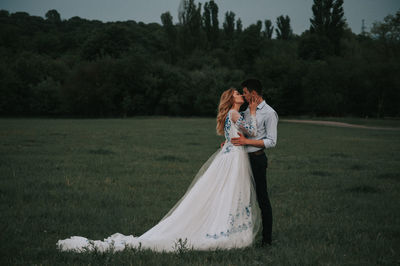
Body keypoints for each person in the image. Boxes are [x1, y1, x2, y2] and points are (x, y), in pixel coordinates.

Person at [56, 88, 262, 253]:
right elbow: (251, 131)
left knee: (225, 192)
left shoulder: (230, 114)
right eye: (237, 93)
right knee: (232, 192)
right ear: (231, 99)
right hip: (234, 157)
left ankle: (226, 227)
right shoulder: (235, 112)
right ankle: (227, 231)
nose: (241, 95)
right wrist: (253, 112)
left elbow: (230, 136)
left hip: (228, 155)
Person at [231, 78, 278, 246]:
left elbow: (272, 141)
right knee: (242, 197)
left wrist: (247, 142)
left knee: (262, 198)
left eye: (245, 92)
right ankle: (241, 236)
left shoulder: (269, 113)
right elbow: (241, 131)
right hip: (242, 160)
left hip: (257, 159)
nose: (243, 95)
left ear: (254, 93)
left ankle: (267, 240)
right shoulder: (245, 110)